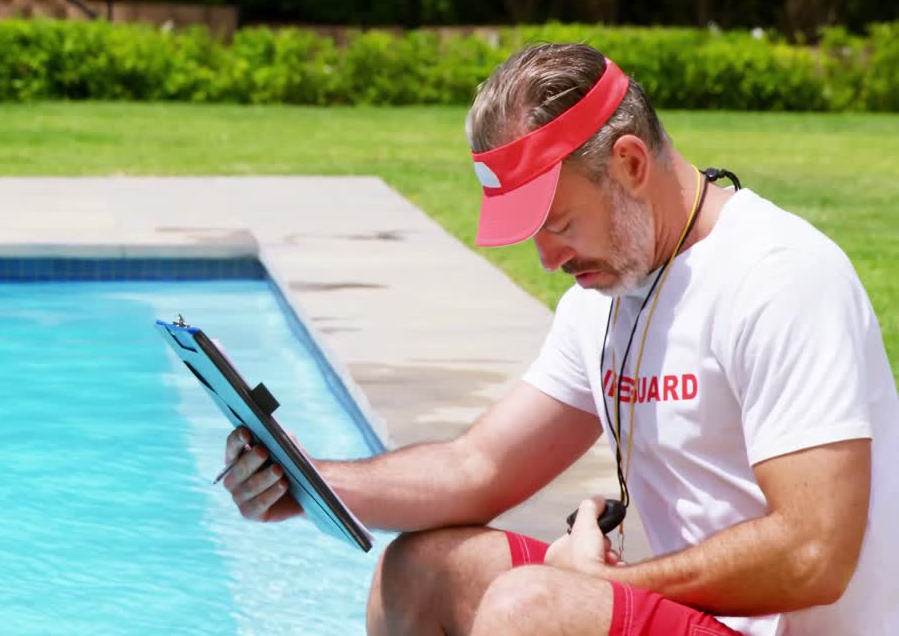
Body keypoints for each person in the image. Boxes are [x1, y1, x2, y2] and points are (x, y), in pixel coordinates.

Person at [219, 43, 899, 636]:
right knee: (419, 569)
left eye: (559, 222)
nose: (547, 258)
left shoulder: (778, 278)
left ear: (630, 163)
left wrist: (606, 590)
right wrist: (307, 481)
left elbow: (815, 551)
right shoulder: (605, 298)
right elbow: (477, 468)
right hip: (702, 621)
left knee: (529, 608)